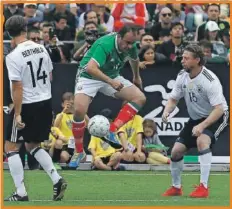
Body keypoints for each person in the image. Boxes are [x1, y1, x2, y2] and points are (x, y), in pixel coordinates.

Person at [4, 15, 67, 201]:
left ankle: (21, 192)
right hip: (45, 102)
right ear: (25, 29)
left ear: (8, 33)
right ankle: (56, 179)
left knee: (11, 147)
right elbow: (50, 76)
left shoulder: (13, 56)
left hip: (27, 104)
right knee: (33, 145)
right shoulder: (41, 48)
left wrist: (17, 113)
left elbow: (17, 87)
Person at [70, 25, 146, 168]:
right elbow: (91, 68)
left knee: (140, 98)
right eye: (127, 43)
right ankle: (79, 151)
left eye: (132, 43)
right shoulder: (104, 44)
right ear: (119, 36)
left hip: (112, 75)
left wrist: (137, 77)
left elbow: (134, 59)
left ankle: (112, 129)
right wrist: (111, 82)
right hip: (89, 76)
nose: (129, 46)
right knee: (79, 111)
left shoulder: (131, 45)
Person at [162, 44, 229, 198]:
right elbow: (173, 99)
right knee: (176, 152)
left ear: (197, 60)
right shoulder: (182, 75)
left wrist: (203, 125)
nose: (182, 61)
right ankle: (176, 187)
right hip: (196, 118)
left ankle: (203, 187)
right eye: (182, 57)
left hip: (217, 116)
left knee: (202, 141)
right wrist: (166, 112)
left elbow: (219, 109)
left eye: (186, 58)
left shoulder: (209, 80)